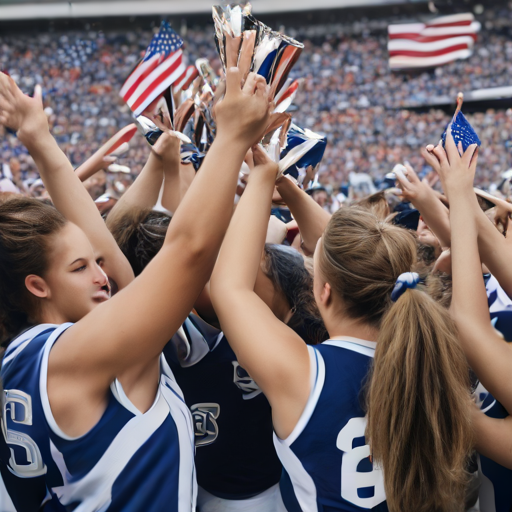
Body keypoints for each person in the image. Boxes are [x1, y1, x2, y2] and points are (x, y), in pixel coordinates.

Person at [0, 68, 271, 510]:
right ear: (37, 286)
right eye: (79, 268)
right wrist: (232, 137)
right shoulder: (84, 354)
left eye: (94, 263)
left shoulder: (23, 356)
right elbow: (188, 251)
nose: (101, 275)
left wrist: (41, 143)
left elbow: (112, 259)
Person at [210, 145, 474, 512]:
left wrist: (261, 177)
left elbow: (228, 286)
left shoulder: (304, 374)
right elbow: (342, 255)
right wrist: (276, 182)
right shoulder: (439, 351)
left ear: (324, 292)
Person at [107, 145, 327, 512]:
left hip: (276, 491)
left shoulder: (286, 321)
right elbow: (118, 251)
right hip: (201, 494)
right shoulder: (162, 341)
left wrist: (280, 187)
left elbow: (316, 247)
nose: (226, 272)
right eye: (206, 268)